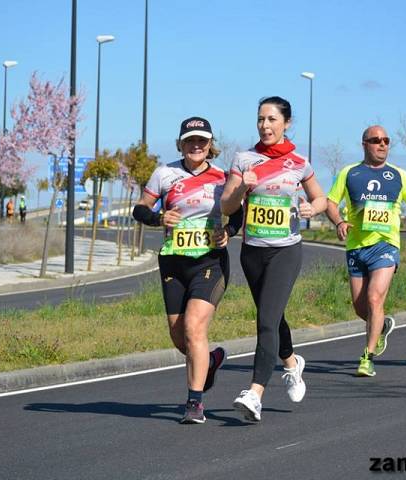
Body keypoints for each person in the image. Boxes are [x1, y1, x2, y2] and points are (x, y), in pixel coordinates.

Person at [221, 96, 327, 422]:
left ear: (286, 123)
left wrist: (314, 208)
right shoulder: (244, 159)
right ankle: (292, 362)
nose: (265, 126)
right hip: (252, 252)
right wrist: (242, 189)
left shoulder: (299, 162)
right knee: (273, 316)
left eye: (271, 120)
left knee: (266, 320)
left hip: (286, 250)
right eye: (260, 120)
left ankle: (255, 393)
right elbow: (227, 205)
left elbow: (320, 196)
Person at [133, 117, 243, 424]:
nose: (196, 146)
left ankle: (195, 402)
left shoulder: (223, 177)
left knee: (195, 328)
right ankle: (209, 361)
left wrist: (229, 231)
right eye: (190, 141)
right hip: (173, 261)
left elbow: (238, 214)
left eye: (202, 141)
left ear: (210, 145)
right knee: (179, 336)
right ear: (181, 143)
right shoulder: (164, 173)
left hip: (209, 261)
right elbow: (139, 208)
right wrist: (158, 218)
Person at [327, 125, 406, 377]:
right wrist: (339, 221)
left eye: (386, 140)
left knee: (374, 299)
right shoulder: (349, 173)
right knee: (361, 308)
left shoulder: (400, 175)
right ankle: (381, 327)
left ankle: (367, 357)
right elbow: (330, 202)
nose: (382, 144)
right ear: (364, 144)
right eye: (376, 140)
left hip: (385, 245)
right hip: (356, 246)